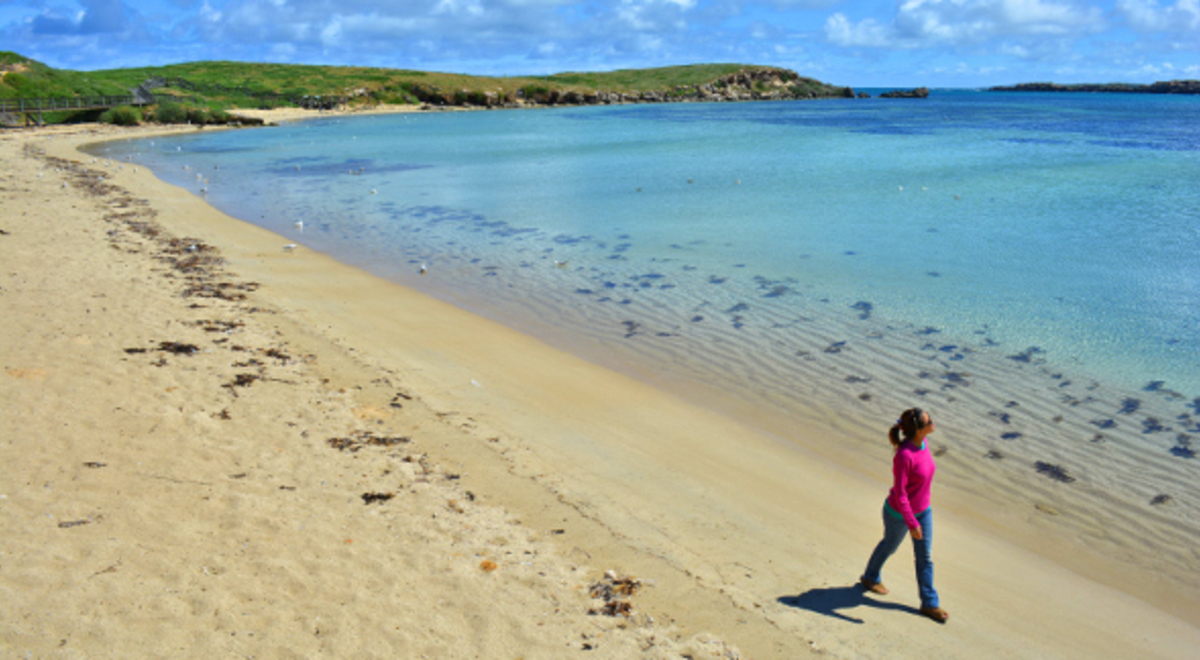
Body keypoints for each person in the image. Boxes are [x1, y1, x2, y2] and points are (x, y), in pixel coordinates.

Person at [860, 407, 949, 623]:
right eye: (929, 420)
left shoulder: (924, 443)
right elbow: (900, 495)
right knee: (889, 546)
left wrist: (918, 518)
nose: (933, 421)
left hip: (924, 512)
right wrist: (911, 522)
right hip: (898, 514)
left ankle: (929, 604)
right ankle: (870, 577)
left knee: (925, 558)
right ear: (919, 430)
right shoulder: (904, 456)